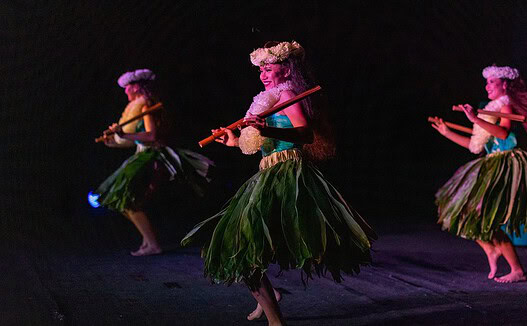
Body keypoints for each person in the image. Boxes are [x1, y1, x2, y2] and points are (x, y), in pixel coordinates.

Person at [182, 41, 376, 325]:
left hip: (288, 173)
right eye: (260, 69)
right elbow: (265, 142)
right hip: (267, 171)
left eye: (268, 68)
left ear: (285, 70)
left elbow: (305, 135)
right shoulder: (267, 97)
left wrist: (266, 127)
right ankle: (270, 299)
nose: (262, 73)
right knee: (240, 247)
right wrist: (234, 140)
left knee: (243, 249)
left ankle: (276, 321)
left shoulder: (288, 93)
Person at [430, 65, 527, 283]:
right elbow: (476, 146)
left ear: (504, 84)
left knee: (485, 216)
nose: (487, 86)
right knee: (466, 213)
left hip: (505, 165)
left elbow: (503, 133)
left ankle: (516, 269)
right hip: (489, 163)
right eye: (487, 82)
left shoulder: (505, 107)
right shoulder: (489, 109)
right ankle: (492, 250)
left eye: (492, 82)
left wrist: (475, 119)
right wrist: (447, 132)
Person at [95, 69, 213, 256]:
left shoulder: (146, 106)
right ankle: (148, 242)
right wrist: (115, 141)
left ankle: (152, 244)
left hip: (152, 156)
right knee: (126, 202)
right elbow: (135, 139)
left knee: (129, 201)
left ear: (136, 87)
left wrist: (123, 134)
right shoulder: (138, 107)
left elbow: (151, 135)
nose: (126, 92)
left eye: (128, 88)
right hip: (142, 154)